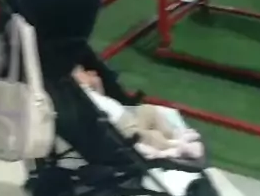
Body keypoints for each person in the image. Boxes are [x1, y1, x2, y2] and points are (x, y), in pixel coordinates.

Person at [72, 66, 203, 160]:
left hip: (126, 116)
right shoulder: (80, 94)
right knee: (150, 136)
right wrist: (87, 82)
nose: (90, 72)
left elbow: (102, 97)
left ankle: (173, 135)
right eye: (83, 72)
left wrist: (95, 83)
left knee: (148, 110)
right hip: (119, 126)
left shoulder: (89, 92)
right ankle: (175, 146)